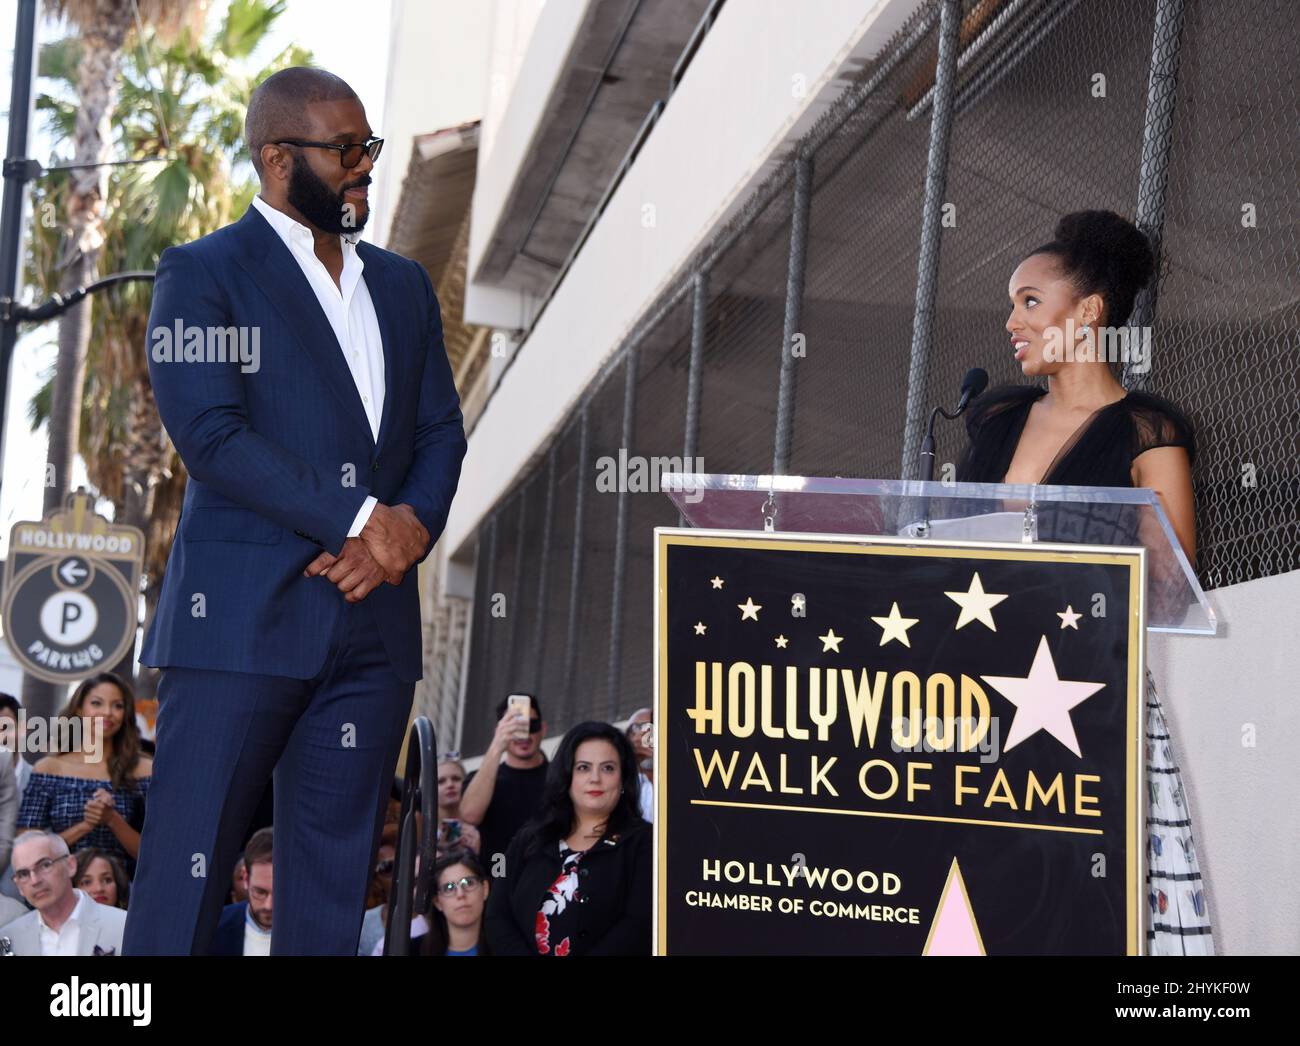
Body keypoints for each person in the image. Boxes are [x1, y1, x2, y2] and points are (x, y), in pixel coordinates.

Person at [123, 66, 467, 957]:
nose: (363, 169)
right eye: (344, 151)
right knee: (184, 878)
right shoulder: (202, 273)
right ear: (278, 158)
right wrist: (363, 520)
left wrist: (406, 534)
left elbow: (440, 433)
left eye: (368, 148)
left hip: (372, 627)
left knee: (331, 888)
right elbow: (211, 435)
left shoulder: (402, 286)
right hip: (237, 625)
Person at [955, 209, 1212, 956]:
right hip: (970, 692)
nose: (1011, 320)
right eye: (1013, 303)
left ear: (1090, 311)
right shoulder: (995, 415)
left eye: (1029, 301)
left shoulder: (1148, 431)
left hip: (1081, 701)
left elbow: (1171, 586)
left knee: (1082, 903)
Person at [486, 721, 651, 956]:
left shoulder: (645, 842)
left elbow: (637, 925)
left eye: (608, 768)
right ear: (567, 776)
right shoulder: (527, 838)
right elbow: (496, 914)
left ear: (623, 779)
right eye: (583, 767)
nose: (595, 778)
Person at [16, 673, 152, 871]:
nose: (107, 712)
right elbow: (26, 849)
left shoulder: (144, 771)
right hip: (60, 890)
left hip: (124, 893)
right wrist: (85, 826)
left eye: (118, 706)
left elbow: (158, 850)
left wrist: (112, 819)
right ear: (79, 709)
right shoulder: (49, 768)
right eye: (97, 703)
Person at [0, 831, 127, 955]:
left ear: (70, 865)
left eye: (45, 865)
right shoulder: (9, 938)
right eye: (23, 874)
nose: (35, 881)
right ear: (19, 886)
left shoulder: (123, 925)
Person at [460, 696, 549, 867]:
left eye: (531, 725)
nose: (523, 734)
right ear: (499, 730)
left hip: (548, 876)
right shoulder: (482, 778)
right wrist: (497, 746)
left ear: (543, 729)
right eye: (513, 726)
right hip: (498, 874)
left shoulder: (560, 776)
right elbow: (470, 815)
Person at [212, 828, 274, 956]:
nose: (269, 905)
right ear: (245, 877)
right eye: (260, 892)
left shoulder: (315, 933)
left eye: (279, 896)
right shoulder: (212, 928)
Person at [421, 848, 490, 956]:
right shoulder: (412, 950)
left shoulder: (509, 947)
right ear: (438, 902)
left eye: (468, 883)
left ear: (485, 889)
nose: (460, 894)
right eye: (449, 888)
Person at [435, 755, 481, 856]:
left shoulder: (481, 827)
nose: (450, 785)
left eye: (456, 779)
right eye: (441, 781)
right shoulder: (421, 829)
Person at [624, 709, 654, 822]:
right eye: (635, 728)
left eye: (650, 727)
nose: (643, 735)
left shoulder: (677, 777)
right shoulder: (621, 779)